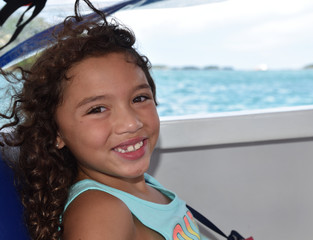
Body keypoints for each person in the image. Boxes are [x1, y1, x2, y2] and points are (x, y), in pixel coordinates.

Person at [0, 0, 205, 239]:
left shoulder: (144, 187)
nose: (131, 123)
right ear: (56, 133)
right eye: (97, 109)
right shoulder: (100, 213)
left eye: (139, 98)